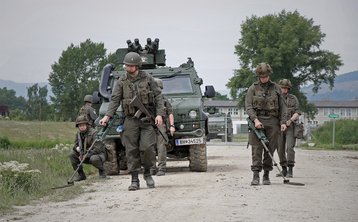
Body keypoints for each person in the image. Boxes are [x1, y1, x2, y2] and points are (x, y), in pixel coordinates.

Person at [99, 52, 164, 191]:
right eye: (126, 65)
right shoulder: (121, 81)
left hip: (147, 121)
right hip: (130, 120)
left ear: (137, 66)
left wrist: (159, 115)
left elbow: (158, 97)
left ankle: (147, 173)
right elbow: (115, 100)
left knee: (148, 148)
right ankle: (134, 179)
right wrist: (107, 116)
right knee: (131, 150)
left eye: (130, 65)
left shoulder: (148, 78)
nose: (127, 67)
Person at [245, 63, 287, 186]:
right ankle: (256, 175)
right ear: (258, 76)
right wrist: (255, 120)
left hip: (273, 121)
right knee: (256, 149)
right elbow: (248, 106)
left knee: (270, 148)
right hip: (257, 120)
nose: (264, 78)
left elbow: (283, 107)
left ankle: (266, 175)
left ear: (269, 75)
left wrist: (283, 122)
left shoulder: (276, 88)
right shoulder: (252, 88)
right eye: (261, 76)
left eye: (266, 76)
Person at [69, 115, 107, 181]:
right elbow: (75, 146)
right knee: (72, 155)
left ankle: (102, 171)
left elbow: (98, 149)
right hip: (84, 154)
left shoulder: (94, 133)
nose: (82, 127)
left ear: (87, 125)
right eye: (80, 126)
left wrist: (86, 156)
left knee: (94, 159)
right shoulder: (78, 134)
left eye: (83, 125)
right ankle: (81, 175)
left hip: (98, 155)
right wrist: (77, 148)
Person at [276, 79, 301, 178]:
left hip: (290, 126)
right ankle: (284, 169)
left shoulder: (293, 98)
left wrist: (290, 120)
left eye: (286, 88)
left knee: (290, 147)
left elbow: (297, 112)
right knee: (279, 149)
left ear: (288, 88)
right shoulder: (276, 98)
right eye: (282, 87)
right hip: (278, 126)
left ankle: (290, 169)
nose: (284, 89)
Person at [151, 78, 175, 176]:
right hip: (148, 125)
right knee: (149, 147)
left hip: (161, 125)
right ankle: (151, 168)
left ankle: (161, 168)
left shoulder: (164, 99)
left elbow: (170, 113)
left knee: (161, 146)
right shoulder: (146, 99)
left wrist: (172, 125)